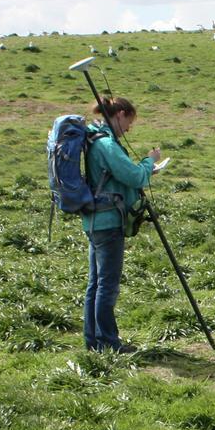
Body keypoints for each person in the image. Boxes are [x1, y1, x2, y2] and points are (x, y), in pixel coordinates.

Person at [80, 95, 161, 353]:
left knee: (96, 283)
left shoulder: (94, 139)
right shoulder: (106, 144)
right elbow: (135, 176)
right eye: (129, 121)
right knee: (107, 285)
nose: (129, 128)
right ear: (120, 114)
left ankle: (93, 342)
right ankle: (108, 344)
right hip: (108, 220)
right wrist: (150, 161)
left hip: (94, 219)